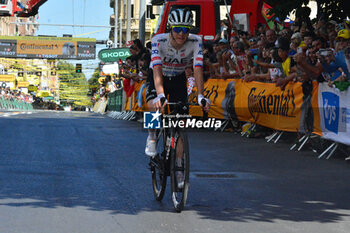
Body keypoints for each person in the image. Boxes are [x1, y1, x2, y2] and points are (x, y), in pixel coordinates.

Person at [145, 8, 210, 188]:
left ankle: (179, 167)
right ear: (171, 28)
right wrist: (160, 94)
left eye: (186, 29)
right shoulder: (159, 40)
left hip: (179, 78)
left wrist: (201, 96)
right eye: (178, 29)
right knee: (154, 105)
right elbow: (157, 69)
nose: (182, 33)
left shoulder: (196, 41)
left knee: (181, 123)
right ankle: (151, 136)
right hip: (159, 76)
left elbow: (197, 69)